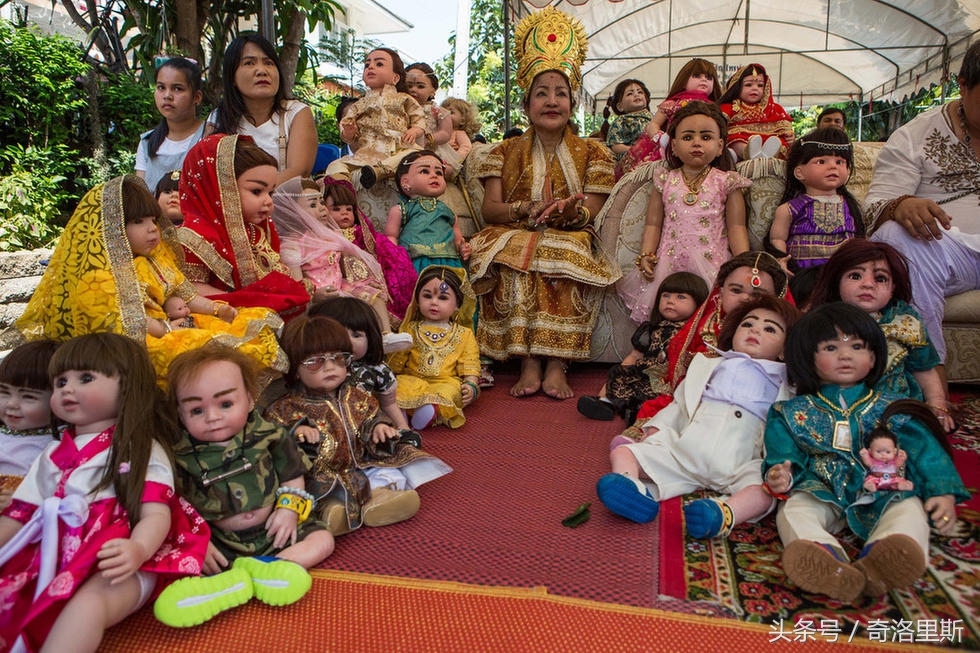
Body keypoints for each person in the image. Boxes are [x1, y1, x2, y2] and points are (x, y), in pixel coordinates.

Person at [0, 333, 209, 651]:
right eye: (60, 382)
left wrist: (138, 548)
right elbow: (21, 513)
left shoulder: (139, 448)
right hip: (58, 556)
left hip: (124, 560)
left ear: (127, 385)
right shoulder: (53, 453)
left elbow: (156, 512)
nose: (67, 388)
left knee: (87, 607)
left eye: (85, 378)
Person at [763, 303, 967, 601]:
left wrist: (941, 490)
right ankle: (823, 557)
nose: (845, 355)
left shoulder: (894, 406)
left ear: (873, 356)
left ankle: (884, 558)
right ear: (808, 357)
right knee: (794, 510)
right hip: (822, 487)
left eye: (857, 346)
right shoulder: (791, 411)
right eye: (831, 347)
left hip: (885, 487)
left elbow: (926, 450)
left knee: (908, 509)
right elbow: (783, 452)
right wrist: (781, 471)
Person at [468, 7, 619, 400]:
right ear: (526, 105)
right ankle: (528, 360)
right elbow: (491, 210)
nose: (551, 101)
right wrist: (525, 211)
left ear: (573, 104)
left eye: (560, 93)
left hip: (572, 233)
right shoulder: (501, 151)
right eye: (541, 93)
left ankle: (556, 363)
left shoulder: (595, 152)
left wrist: (573, 213)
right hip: (514, 231)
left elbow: (595, 209)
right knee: (518, 253)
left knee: (563, 251)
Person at [7, 175, 286, 384]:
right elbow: (128, 328)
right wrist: (168, 327)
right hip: (137, 347)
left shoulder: (157, 260)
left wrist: (218, 309)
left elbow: (188, 295)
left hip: (170, 325)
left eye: (153, 220)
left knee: (251, 321)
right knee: (202, 352)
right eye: (138, 222)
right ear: (111, 229)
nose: (153, 229)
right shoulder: (97, 279)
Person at [158, 345, 334, 628]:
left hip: (274, 531)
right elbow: (174, 504)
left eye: (225, 404)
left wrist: (288, 511)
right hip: (219, 541)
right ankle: (223, 585)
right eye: (196, 409)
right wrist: (197, 544)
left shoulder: (270, 435)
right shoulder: (178, 455)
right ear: (180, 413)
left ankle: (271, 568)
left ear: (250, 400)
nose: (212, 417)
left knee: (322, 540)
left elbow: (292, 474)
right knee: (186, 562)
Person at [596, 296, 800, 539]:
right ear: (733, 332)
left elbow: (791, 427)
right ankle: (632, 487)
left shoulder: (786, 383)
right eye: (748, 324)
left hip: (741, 460)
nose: (755, 329)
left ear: (785, 350)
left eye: (770, 329)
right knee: (625, 451)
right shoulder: (708, 365)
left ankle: (723, 513)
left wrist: (780, 470)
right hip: (687, 449)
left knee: (765, 488)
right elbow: (681, 402)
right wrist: (658, 427)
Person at [264, 316, 450, 536]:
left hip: (361, 463)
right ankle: (329, 511)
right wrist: (296, 432)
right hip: (322, 473)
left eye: (338, 358)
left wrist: (379, 427)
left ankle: (380, 498)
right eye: (316, 361)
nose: (330, 367)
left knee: (387, 471)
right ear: (295, 369)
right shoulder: (286, 407)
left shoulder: (355, 395)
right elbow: (272, 434)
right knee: (319, 490)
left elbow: (371, 415)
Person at [865, 41, 980, 381]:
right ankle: (928, 376)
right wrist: (901, 205)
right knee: (893, 235)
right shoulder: (916, 135)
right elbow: (873, 208)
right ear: (963, 84)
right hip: (953, 253)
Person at [617, 100, 751, 325]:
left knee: (710, 318)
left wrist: (743, 263)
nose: (697, 143)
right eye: (688, 137)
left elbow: (737, 227)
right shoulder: (665, 180)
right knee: (668, 314)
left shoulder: (726, 182)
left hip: (713, 261)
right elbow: (653, 224)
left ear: (720, 146)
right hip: (669, 262)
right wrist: (646, 254)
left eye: (706, 137)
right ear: (675, 147)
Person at [807, 238, 952, 429]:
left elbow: (924, 369)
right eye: (855, 276)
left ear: (893, 288)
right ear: (837, 281)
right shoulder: (821, 321)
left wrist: (937, 406)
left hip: (896, 412)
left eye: (880, 278)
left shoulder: (905, 321)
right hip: (835, 413)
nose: (868, 284)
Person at [633, 251, 789, 422]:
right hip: (702, 400)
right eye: (736, 290)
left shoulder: (780, 334)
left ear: (776, 299)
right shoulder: (706, 327)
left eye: (758, 295)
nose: (746, 299)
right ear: (720, 292)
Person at [178, 133, 311, 319]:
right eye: (257, 191)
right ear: (222, 189)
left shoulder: (255, 231)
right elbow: (189, 291)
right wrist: (254, 302)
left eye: (270, 192)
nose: (268, 201)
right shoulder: (191, 239)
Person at [271, 176, 411, 352]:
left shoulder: (329, 236)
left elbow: (348, 260)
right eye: (313, 205)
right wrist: (314, 295)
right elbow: (297, 284)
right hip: (319, 294)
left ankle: (385, 335)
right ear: (293, 212)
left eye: (321, 203)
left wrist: (364, 276)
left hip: (341, 285)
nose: (322, 208)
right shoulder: (293, 244)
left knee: (373, 295)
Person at [578, 272, 708, 423]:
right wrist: (627, 365)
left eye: (680, 297)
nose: (670, 301)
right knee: (618, 377)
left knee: (663, 397)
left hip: (670, 378)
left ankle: (639, 411)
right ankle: (604, 403)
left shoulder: (695, 332)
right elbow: (636, 354)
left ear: (698, 303)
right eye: (666, 296)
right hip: (645, 372)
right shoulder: (651, 329)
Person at [207, 33, 317, 182]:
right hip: (233, 204)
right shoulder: (219, 117)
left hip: (285, 202)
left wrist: (258, 195)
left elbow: (298, 171)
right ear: (232, 76)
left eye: (268, 63)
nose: (262, 70)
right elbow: (210, 173)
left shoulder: (296, 112)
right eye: (249, 63)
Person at [308, 296, 417, 437]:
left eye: (356, 335)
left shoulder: (376, 369)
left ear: (370, 338)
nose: (347, 341)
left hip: (369, 430)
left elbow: (389, 404)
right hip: (326, 430)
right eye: (338, 334)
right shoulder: (317, 367)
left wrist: (403, 427)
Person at [388, 266, 481, 430]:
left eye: (443, 298)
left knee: (451, 392)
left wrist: (471, 385)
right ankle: (400, 412)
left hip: (445, 382)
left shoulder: (464, 334)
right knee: (398, 385)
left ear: (457, 305)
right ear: (417, 299)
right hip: (412, 379)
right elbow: (397, 360)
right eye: (427, 296)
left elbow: (470, 363)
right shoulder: (410, 328)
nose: (434, 302)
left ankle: (427, 411)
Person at [325, 47, 426, 189]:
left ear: (395, 78)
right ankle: (343, 186)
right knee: (335, 165)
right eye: (367, 65)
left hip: (398, 148)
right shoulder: (360, 104)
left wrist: (415, 131)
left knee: (415, 154)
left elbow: (419, 118)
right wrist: (349, 132)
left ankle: (380, 171)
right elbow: (346, 124)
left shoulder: (404, 99)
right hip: (368, 150)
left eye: (379, 64)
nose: (371, 67)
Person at [768, 127, 864, 270]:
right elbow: (777, 239)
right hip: (803, 274)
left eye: (839, 162)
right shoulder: (789, 209)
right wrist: (782, 260)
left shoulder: (851, 206)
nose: (833, 167)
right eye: (821, 161)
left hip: (843, 270)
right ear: (799, 172)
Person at [321, 177, 417, 320]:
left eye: (349, 209)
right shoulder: (322, 236)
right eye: (336, 209)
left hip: (364, 280)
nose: (344, 213)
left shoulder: (362, 234)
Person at [618, 58, 721, 176]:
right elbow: (653, 124)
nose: (704, 80)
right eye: (697, 76)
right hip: (670, 151)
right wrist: (662, 139)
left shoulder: (715, 108)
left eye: (709, 77)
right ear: (683, 80)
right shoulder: (673, 103)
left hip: (704, 152)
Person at [386, 150, 471, 273]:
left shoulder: (449, 212)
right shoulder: (401, 210)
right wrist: (395, 258)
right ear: (406, 182)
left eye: (439, 172)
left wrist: (463, 247)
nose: (434, 175)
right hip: (415, 261)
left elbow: (458, 240)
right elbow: (391, 236)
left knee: (448, 290)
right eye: (424, 171)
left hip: (449, 262)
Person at [0, 340, 59, 511]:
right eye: (4, 392)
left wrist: (25, 502)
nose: (12, 404)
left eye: (29, 397)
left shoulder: (61, 444)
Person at [136, 57, 206, 192]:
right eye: (161, 87)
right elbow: (141, 199)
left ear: (196, 97)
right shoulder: (147, 143)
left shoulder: (209, 137)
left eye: (178, 89)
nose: (167, 95)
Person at [718, 63, 795, 161]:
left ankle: (766, 156)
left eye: (760, 85)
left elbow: (785, 129)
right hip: (742, 143)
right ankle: (749, 153)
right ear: (737, 86)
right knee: (734, 139)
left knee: (777, 141)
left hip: (770, 144)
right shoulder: (730, 107)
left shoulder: (774, 108)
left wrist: (790, 137)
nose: (755, 88)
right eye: (748, 85)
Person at [404, 63, 462, 178]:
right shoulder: (400, 108)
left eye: (420, 86)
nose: (413, 90)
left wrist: (429, 139)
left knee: (442, 167)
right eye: (409, 86)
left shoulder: (437, 111)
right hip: (406, 146)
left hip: (432, 149)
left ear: (433, 91)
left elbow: (446, 133)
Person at [602, 78, 653, 160]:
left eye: (640, 92)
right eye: (630, 94)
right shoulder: (621, 121)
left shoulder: (655, 119)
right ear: (620, 106)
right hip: (632, 160)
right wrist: (634, 151)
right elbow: (615, 145)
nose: (636, 95)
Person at [440, 97, 481, 167]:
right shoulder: (438, 132)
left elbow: (466, 147)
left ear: (462, 120)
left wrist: (454, 161)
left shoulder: (459, 133)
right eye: (443, 112)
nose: (445, 115)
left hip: (449, 164)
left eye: (451, 112)